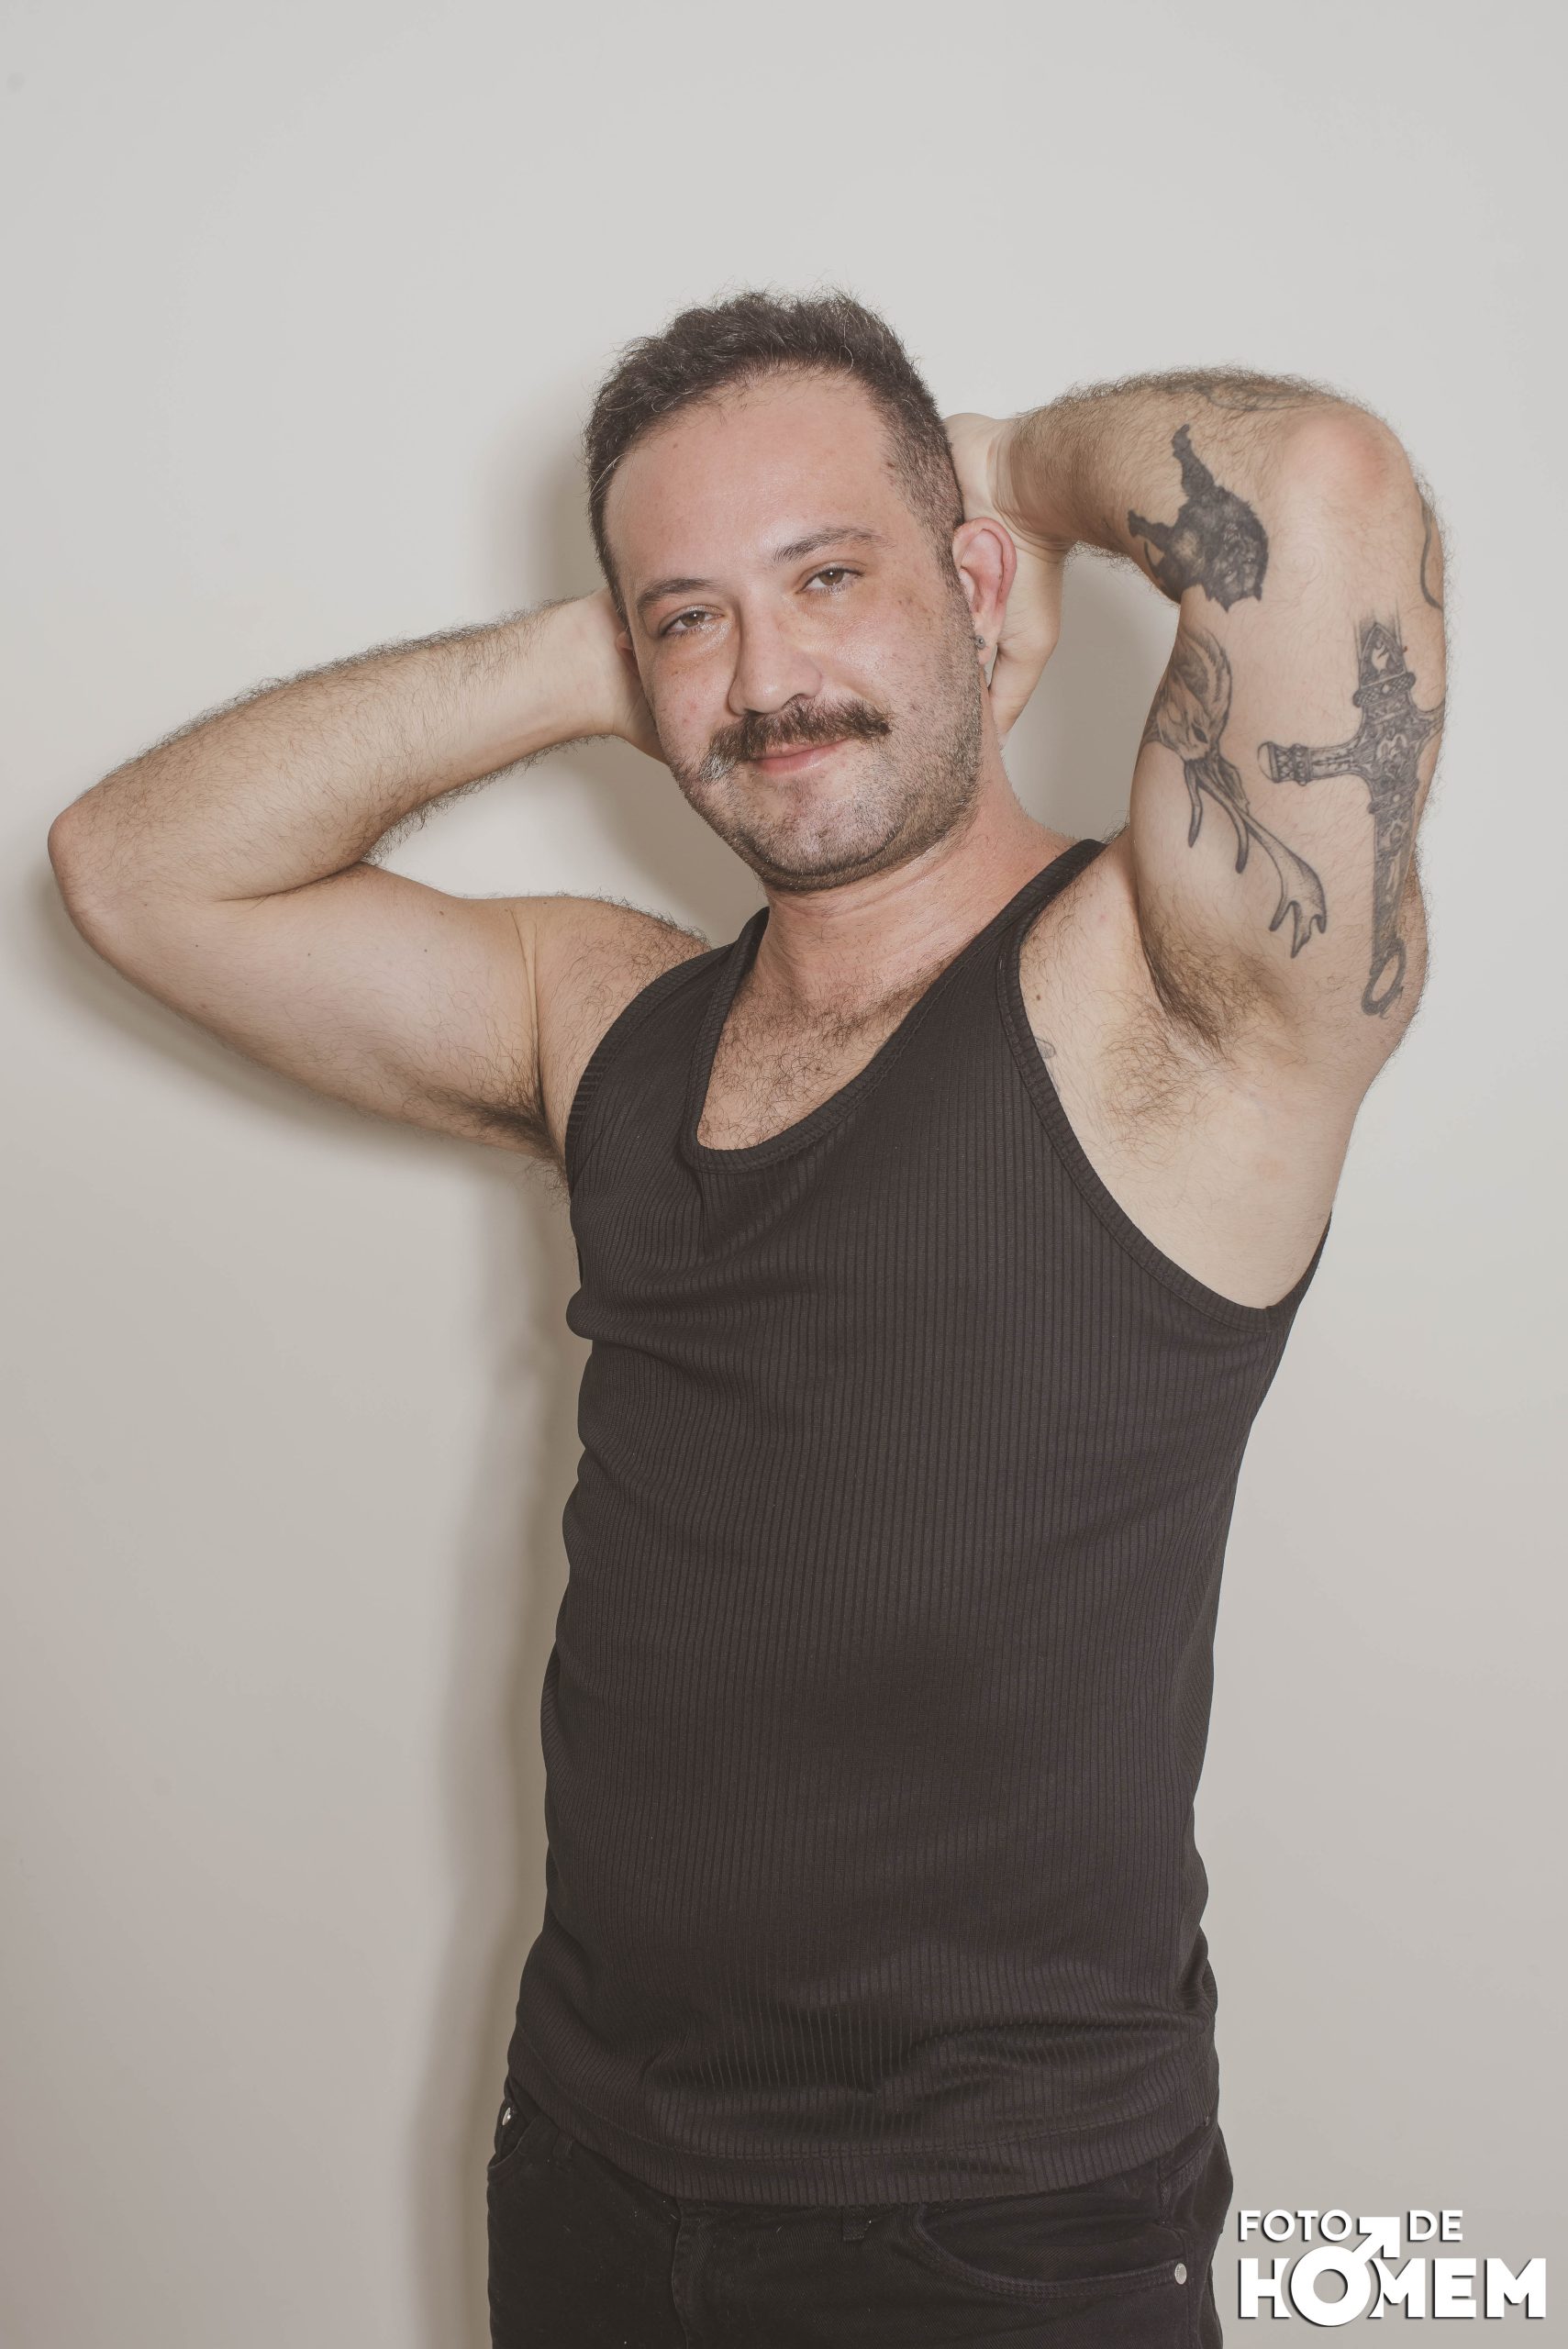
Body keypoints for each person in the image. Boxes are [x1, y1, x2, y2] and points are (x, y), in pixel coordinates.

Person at [47, 289, 1446, 2346]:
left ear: (976, 582)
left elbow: (1320, 486)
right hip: (590, 2165)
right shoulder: (607, 1014)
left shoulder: (1171, 999)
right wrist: (596, 656)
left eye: (831, 576)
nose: (768, 679)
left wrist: (1013, 471)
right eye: (692, 617)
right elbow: (133, 869)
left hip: (991, 2228)